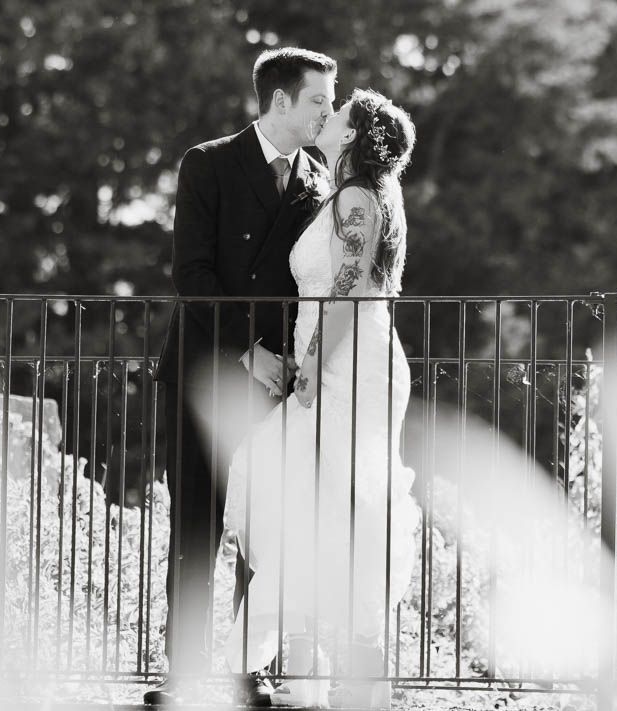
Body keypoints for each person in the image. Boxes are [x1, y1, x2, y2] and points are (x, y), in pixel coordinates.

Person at [150, 46, 337, 707]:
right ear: (280, 101)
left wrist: (300, 364)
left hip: (277, 386)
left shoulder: (320, 180)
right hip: (206, 372)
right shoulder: (207, 163)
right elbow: (190, 274)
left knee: (266, 530)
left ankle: (247, 668)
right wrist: (249, 351)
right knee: (195, 527)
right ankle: (184, 673)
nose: (328, 111)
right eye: (318, 99)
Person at [221, 88, 421, 709]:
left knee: (333, 507)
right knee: (309, 507)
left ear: (355, 135)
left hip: (349, 368)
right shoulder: (346, 196)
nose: (325, 118)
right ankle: (318, 666)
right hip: (334, 361)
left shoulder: (358, 197)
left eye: (337, 114)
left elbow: (350, 285)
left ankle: (298, 664)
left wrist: (308, 365)